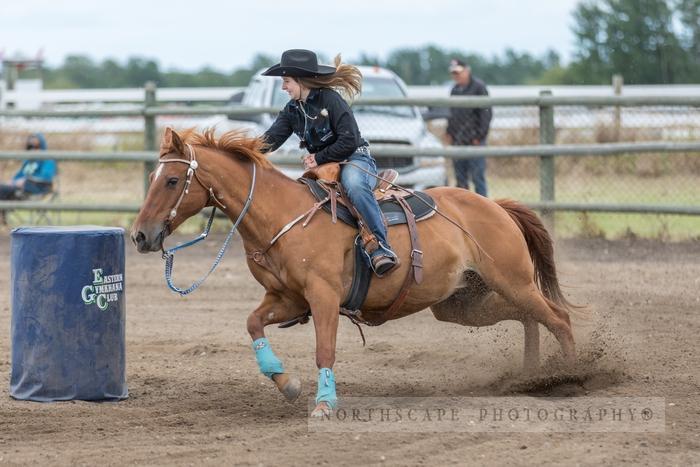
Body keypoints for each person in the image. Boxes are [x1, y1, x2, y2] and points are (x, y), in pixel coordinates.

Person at [260, 49, 399, 277]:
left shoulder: (331, 100)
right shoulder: (292, 110)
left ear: (301, 81)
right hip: (324, 168)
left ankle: (381, 247)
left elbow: (350, 139)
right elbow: (271, 139)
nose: (283, 87)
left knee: (354, 186)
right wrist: (243, 151)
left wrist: (318, 157)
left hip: (354, 158)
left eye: (286, 81)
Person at [445, 59, 492, 197]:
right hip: (458, 140)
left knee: (477, 177)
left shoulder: (479, 87)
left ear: (466, 71)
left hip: (474, 140)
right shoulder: (454, 89)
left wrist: (479, 136)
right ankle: (463, 208)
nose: (456, 76)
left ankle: (484, 207)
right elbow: (452, 113)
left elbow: (486, 114)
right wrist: (449, 131)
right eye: (454, 73)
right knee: (460, 178)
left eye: (458, 72)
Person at [0, 133, 57, 224]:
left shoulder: (47, 159)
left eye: (36, 148)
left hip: (38, 188)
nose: (34, 150)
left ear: (42, 147)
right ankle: (3, 216)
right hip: (20, 189)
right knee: (2, 187)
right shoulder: (28, 160)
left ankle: (3, 217)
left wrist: (27, 180)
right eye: (31, 148)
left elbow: (46, 176)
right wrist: (13, 181)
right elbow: (19, 175)